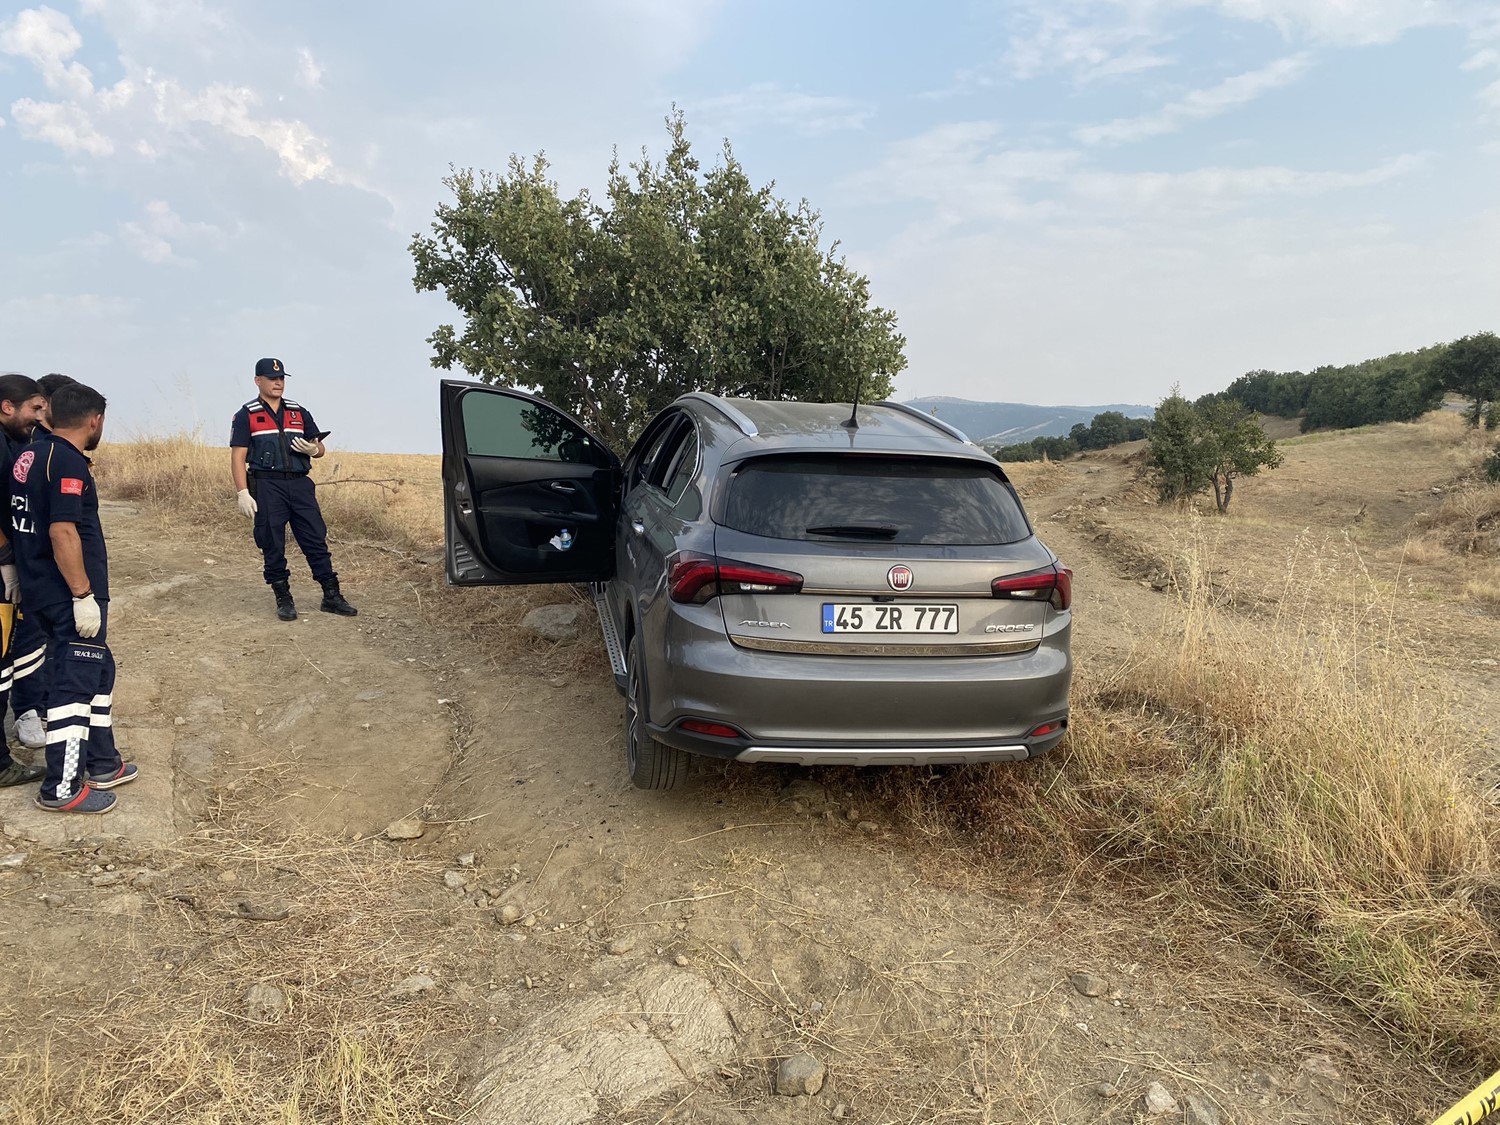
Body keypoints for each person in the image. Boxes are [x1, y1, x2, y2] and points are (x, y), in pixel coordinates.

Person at [11, 382, 136, 814]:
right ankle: (61, 788)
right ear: (95, 419)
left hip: (38, 587)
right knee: (74, 682)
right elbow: (62, 530)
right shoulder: (66, 462)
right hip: (69, 592)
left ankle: (103, 762)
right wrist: (83, 594)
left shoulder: (30, 454)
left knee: (100, 669)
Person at [229, 358, 356, 621]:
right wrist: (242, 492)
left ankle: (331, 595)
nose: (278, 383)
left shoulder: (299, 412)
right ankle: (283, 597)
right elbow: (238, 457)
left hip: (300, 485)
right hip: (267, 485)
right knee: (272, 542)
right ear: (258, 381)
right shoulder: (247, 415)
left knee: (315, 539)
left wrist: (315, 449)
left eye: (281, 378)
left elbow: (318, 447)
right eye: (272, 378)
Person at [6, 372, 76, 751]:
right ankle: (28, 709)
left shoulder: (56, 444)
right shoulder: (23, 443)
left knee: (51, 635)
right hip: (26, 558)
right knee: (28, 634)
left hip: (51, 559)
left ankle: (45, 701)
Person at [0, 373, 47, 787]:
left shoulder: (15, 442)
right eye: (34, 408)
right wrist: (5, 561)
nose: (39, 416)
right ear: (7, 406)